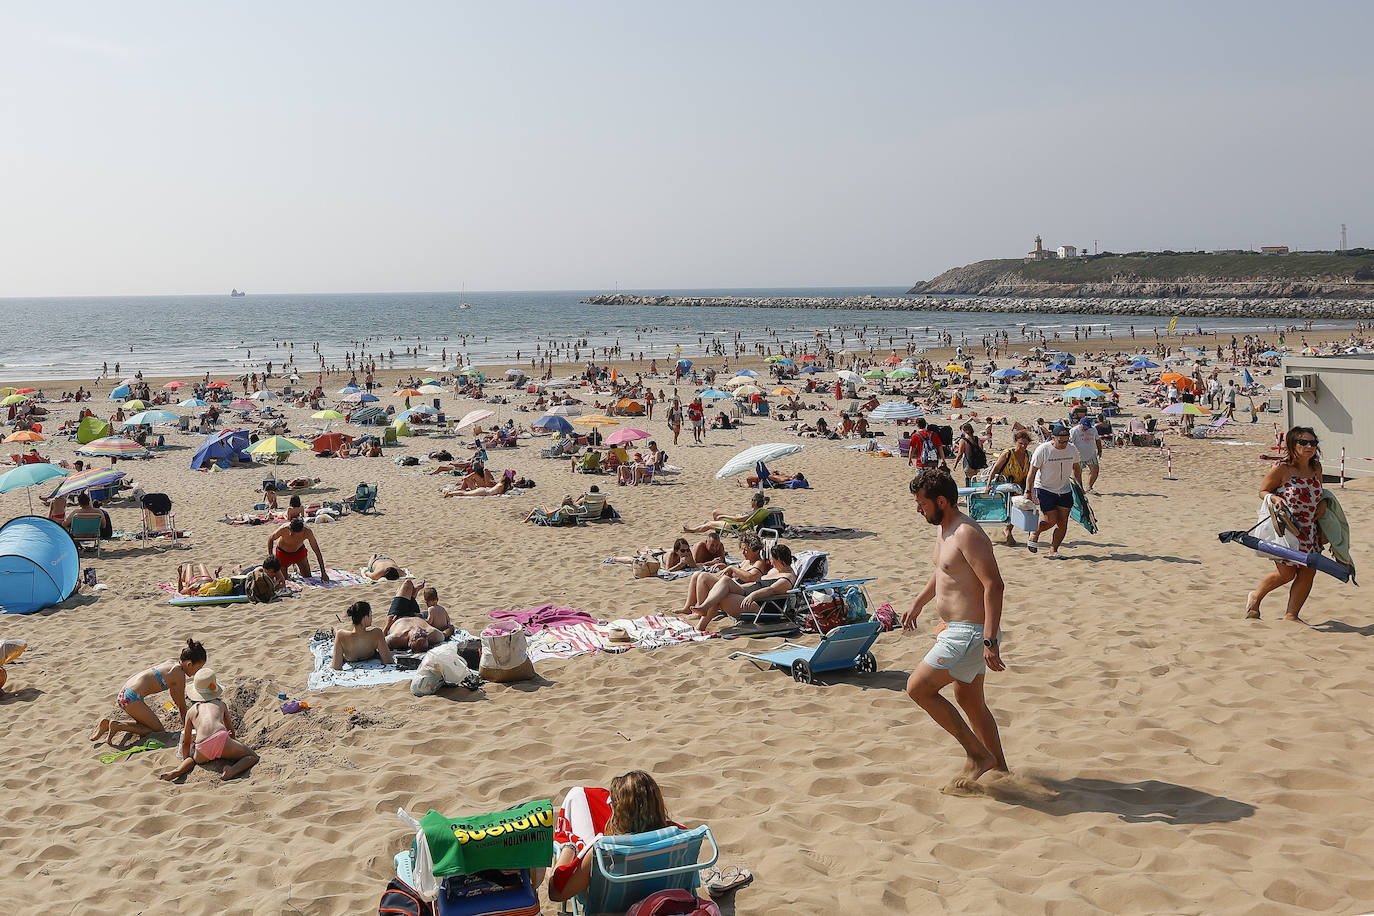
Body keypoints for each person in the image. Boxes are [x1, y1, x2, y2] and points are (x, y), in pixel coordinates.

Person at [901, 469, 1009, 791]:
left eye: (922, 503)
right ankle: (1000, 771)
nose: (918, 509)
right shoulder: (944, 528)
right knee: (970, 700)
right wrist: (920, 602)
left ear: (942, 501)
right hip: (957, 629)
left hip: (970, 633)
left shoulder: (967, 533)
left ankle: (977, 755)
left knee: (918, 688)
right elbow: (944, 572)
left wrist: (990, 639)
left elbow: (994, 585)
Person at [548, 771, 675, 903]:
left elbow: (556, 893)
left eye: (611, 803)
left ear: (619, 812)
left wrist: (569, 846)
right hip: (664, 907)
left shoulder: (603, 851)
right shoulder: (677, 838)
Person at [1246, 427, 1326, 622]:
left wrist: (1323, 504)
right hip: (1287, 529)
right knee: (1287, 573)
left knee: (1308, 572)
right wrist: (1273, 498)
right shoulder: (1281, 468)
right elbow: (1263, 491)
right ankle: (1255, 597)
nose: (1309, 446)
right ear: (1292, 444)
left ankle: (1291, 615)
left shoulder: (1316, 468)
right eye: (1303, 442)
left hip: (1310, 529)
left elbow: (1320, 491)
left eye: (1313, 443)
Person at [89, 639, 207, 745]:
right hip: (132, 698)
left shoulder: (172, 663)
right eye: (198, 669)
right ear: (189, 664)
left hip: (124, 692)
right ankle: (117, 726)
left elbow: (174, 695)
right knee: (157, 730)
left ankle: (106, 724)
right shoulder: (179, 675)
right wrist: (188, 728)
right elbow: (181, 706)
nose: (197, 672)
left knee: (146, 724)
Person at [157, 668, 260, 782]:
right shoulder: (220, 704)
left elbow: (186, 742)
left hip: (202, 747)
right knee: (252, 756)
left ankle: (178, 771)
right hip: (221, 740)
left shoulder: (191, 711)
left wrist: (185, 759)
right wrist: (232, 747)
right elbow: (231, 730)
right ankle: (232, 771)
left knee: (193, 759)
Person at [688, 543, 796, 632]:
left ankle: (701, 625)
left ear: (779, 560)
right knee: (725, 581)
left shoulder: (788, 578)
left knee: (719, 597)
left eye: (772, 559)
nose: (770, 562)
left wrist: (752, 596)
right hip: (747, 593)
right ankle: (704, 608)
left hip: (760, 604)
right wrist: (738, 586)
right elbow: (757, 584)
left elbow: (770, 590)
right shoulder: (775, 570)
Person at [1024, 424, 1082, 559]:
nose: (1064, 443)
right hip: (1045, 488)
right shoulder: (1043, 450)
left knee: (1063, 522)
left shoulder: (1071, 449)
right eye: (1061, 441)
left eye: (1067, 440)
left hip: (1065, 489)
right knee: (1051, 520)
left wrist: (1079, 486)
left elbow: (1076, 468)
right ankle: (1035, 532)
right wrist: (1028, 491)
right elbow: (1031, 473)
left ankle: (1053, 550)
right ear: (1053, 438)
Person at [675, 533, 768, 616]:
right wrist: (724, 567)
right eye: (742, 549)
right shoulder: (746, 561)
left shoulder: (759, 563)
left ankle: (702, 609)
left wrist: (732, 568)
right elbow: (735, 574)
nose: (743, 552)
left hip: (739, 591)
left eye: (746, 550)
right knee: (696, 575)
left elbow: (749, 577)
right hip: (730, 586)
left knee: (703, 576)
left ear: (756, 551)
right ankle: (688, 607)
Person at [985, 429, 1033, 545]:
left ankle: (1008, 530)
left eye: (1025, 444)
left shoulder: (1028, 455)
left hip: (1019, 488)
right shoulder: (1008, 453)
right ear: (1016, 442)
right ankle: (1007, 532)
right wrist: (988, 484)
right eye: (1020, 443)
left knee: (1018, 510)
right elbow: (995, 469)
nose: (1023, 446)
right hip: (1005, 486)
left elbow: (1030, 473)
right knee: (1009, 511)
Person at [384, 579, 447, 651]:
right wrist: (450, 628)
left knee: (408, 583)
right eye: (423, 635)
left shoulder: (398, 637)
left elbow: (380, 642)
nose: (420, 632)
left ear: (409, 642)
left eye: (416, 636)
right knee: (408, 591)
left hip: (398, 615)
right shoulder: (432, 634)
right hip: (416, 614)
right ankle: (412, 595)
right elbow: (445, 633)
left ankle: (412, 595)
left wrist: (387, 625)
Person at [331, 601, 394, 669]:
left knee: (338, 632)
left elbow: (336, 666)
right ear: (365, 618)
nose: (372, 618)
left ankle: (334, 630)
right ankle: (334, 630)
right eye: (370, 615)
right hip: (369, 656)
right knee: (337, 632)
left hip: (350, 658)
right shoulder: (377, 633)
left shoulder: (341, 635)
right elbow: (388, 661)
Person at [681, 491, 770, 534]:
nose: (751, 501)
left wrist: (724, 516)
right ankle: (717, 526)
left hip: (734, 526)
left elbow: (738, 519)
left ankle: (691, 530)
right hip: (736, 522)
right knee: (715, 512)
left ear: (755, 502)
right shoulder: (758, 511)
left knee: (709, 524)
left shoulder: (752, 513)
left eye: (752, 500)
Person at [1068, 416, 1102, 492]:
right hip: (1078, 456)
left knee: (1095, 471)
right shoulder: (1074, 431)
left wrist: (1100, 450)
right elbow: (1070, 444)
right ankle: (1080, 489)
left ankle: (1089, 487)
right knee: (1077, 473)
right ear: (1080, 423)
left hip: (1091, 455)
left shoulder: (1093, 429)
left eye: (1087, 427)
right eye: (1084, 427)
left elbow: (1097, 440)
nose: (1086, 429)